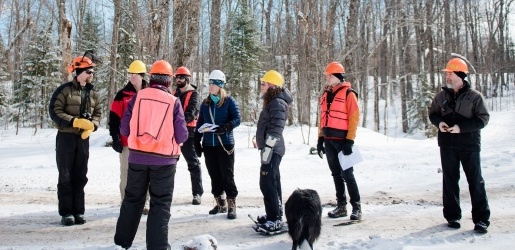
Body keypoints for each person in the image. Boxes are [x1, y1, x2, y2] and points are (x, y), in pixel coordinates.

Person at [114, 60, 188, 249]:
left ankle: (122, 242)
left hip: (137, 157)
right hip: (164, 161)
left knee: (132, 199)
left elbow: (124, 128)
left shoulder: (137, 97)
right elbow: (182, 135)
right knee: (160, 203)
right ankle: (157, 246)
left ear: (151, 77)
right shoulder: (173, 101)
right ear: (169, 80)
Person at [428, 58, 490, 233]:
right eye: (447, 73)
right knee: (449, 181)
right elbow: (432, 113)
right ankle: (452, 216)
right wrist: (439, 123)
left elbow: (483, 119)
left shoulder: (475, 97)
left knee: (475, 181)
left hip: (469, 145)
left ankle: (481, 220)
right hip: (447, 145)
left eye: (450, 73)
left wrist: (461, 128)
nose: (447, 76)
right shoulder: (441, 96)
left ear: (460, 75)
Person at [48, 51, 102, 226]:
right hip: (66, 138)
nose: (91, 74)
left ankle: (79, 211)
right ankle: (66, 212)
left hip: (83, 140)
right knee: (66, 175)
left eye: (92, 71)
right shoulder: (63, 90)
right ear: (78, 72)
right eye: (88, 71)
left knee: (80, 175)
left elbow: (98, 113)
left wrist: (92, 126)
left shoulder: (93, 93)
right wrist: (74, 121)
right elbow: (55, 111)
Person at [317, 61, 362, 221]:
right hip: (328, 140)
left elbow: (354, 118)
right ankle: (341, 206)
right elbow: (322, 118)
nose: (327, 78)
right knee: (336, 174)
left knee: (347, 174)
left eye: (329, 75)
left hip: (343, 141)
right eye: (327, 75)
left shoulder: (349, 93)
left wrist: (350, 140)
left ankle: (356, 207)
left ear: (337, 76)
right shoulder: (325, 94)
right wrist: (320, 138)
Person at [194, 70, 241, 219]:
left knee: (227, 175)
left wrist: (226, 127)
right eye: (210, 83)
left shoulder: (229, 101)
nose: (211, 86)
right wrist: (196, 140)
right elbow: (200, 123)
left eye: (214, 83)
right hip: (209, 145)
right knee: (214, 174)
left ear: (221, 85)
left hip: (225, 144)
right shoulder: (205, 103)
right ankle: (220, 203)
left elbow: (237, 119)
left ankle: (231, 204)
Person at [109, 60, 151, 214]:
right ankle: (125, 201)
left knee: (145, 172)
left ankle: (144, 202)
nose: (132, 78)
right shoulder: (122, 95)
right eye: (130, 75)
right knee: (126, 171)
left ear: (142, 76)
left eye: (135, 75)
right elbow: (113, 118)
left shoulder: (149, 93)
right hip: (126, 141)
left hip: (146, 142)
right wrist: (115, 138)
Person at [255, 70, 293, 232]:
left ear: (272, 86)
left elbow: (277, 128)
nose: (261, 86)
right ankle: (275, 214)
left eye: (264, 83)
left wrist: (268, 147)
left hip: (273, 149)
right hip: (270, 149)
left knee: (267, 183)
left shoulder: (277, 102)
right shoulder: (273, 101)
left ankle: (274, 219)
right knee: (272, 181)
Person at [173, 66, 204, 205]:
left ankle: (197, 193)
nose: (178, 80)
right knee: (169, 164)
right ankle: (165, 192)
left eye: (181, 78)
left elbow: (191, 113)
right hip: (173, 134)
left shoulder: (194, 95)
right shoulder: (173, 94)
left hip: (188, 134)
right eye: (177, 78)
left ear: (187, 79)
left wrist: (179, 124)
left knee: (193, 163)